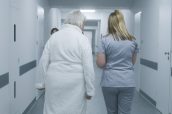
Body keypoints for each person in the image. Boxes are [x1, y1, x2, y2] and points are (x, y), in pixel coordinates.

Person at [38, 11, 95, 114]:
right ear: (80, 23)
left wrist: (41, 83)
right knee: (75, 110)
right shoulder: (82, 39)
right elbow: (88, 68)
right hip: (76, 83)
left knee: (52, 109)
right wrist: (90, 89)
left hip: (54, 80)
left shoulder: (54, 37)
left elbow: (43, 61)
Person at [96, 10, 139, 114]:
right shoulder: (133, 41)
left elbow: (101, 63)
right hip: (127, 82)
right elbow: (132, 62)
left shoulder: (104, 40)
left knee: (111, 111)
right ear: (122, 22)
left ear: (110, 23)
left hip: (109, 81)